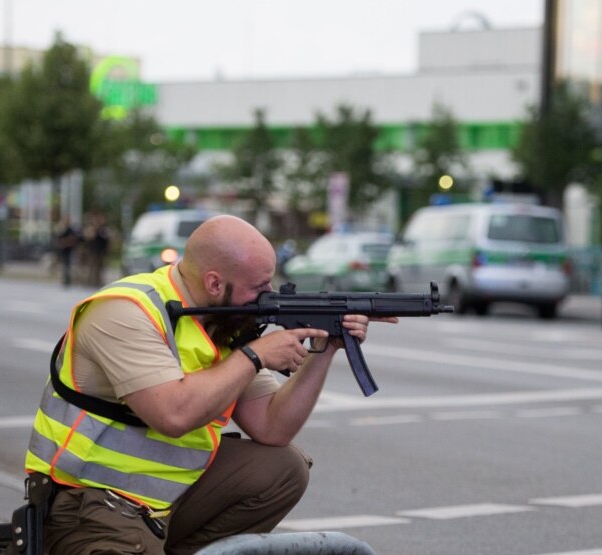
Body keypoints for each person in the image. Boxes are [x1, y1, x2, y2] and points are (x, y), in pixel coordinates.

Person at [24, 215, 396, 554]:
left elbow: (273, 426)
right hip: (92, 503)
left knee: (283, 468)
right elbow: (172, 414)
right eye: (260, 286)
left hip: (166, 500)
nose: (270, 294)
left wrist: (325, 348)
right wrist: (254, 357)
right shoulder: (125, 311)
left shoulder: (220, 320)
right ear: (215, 283)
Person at [54, 217, 80, 288]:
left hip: (69, 250)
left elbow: (74, 239)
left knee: (69, 266)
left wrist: (67, 241)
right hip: (63, 250)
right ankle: (65, 279)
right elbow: (58, 238)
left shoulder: (71, 230)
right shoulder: (62, 230)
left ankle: (68, 280)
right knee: (64, 266)